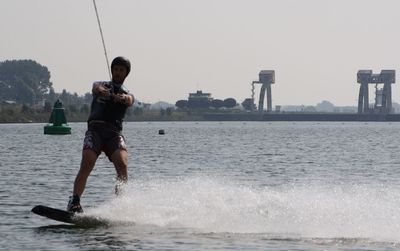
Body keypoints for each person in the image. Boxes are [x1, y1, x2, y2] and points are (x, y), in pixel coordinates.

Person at [67, 56, 134, 213]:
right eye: (115, 69)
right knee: (87, 162)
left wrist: (122, 97)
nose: (117, 73)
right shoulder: (100, 85)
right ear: (112, 70)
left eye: (121, 70)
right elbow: (95, 88)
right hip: (95, 130)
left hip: (113, 134)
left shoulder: (127, 93)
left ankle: (120, 205)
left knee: (122, 164)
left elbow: (130, 100)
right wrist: (103, 92)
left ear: (126, 74)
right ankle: (74, 201)